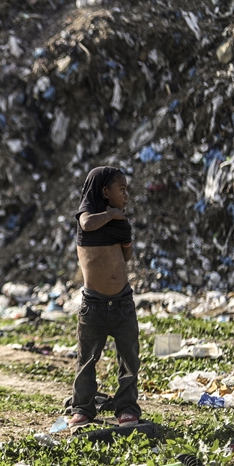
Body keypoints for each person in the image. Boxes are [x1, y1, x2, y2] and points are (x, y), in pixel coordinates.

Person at [68, 166, 142, 429]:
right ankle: (83, 409)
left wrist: (121, 228)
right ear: (104, 192)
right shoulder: (86, 219)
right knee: (87, 359)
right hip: (94, 305)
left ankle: (127, 408)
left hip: (122, 301)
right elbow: (87, 223)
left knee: (129, 357)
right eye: (121, 189)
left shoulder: (121, 223)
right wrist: (111, 214)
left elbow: (126, 256)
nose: (126, 195)